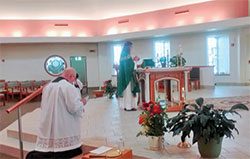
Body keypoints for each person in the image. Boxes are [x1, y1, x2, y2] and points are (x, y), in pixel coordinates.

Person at [26, 68, 87, 159]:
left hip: (49, 119)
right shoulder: (67, 86)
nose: (73, 82)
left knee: (50, 146)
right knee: (66, 149)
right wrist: (83, 102)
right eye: (73, 79)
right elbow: (74, 107)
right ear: (71, 76)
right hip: (63, 122)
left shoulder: (48, 85)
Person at [117, 41, 140, 111]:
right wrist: (135, 61)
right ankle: (128, 107)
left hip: (125, 75)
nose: (131, 48)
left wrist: (133, 60)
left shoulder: (124, 54)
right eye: (130, 46)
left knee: (128, 91)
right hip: (127, 76)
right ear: (128, 46)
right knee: (128, 91)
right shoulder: (126, 54)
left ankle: (129, 106)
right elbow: (129, 65)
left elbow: (128, 63)